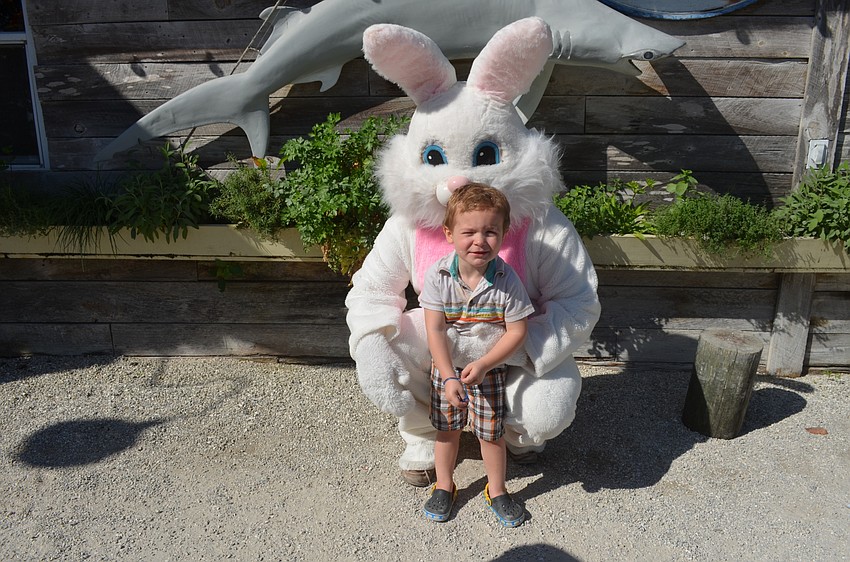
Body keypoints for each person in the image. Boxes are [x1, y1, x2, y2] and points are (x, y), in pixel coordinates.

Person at [417, 183, 534, 527]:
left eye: (490, 231)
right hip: (447, 368)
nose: (479, 240)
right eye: (469, 232)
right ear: (449, 234)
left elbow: (517, 331)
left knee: (491, 433)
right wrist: (448, 375)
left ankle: (496, 489)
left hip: (489, 366)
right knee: (446, 429)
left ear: (503, 233)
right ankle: (444, 485)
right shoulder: (438, 276)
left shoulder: (506, 279)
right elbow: (435, 330)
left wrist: (485, 364)